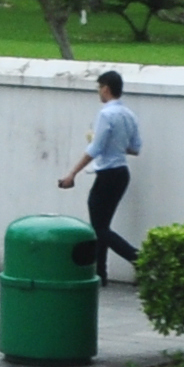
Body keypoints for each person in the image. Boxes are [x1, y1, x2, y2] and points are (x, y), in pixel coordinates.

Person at [58, 70, 143, 281]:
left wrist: (72, 173)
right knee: (103, 225)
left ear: (106, 88)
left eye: (99, 87)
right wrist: (115, 145)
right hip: (121, 172)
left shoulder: (106, 114)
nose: (98, 92)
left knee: (99, 227)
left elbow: (95, 149)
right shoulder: (129, 115)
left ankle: (137, 257)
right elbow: (135, 148)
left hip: (107, 173)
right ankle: (100, 272)